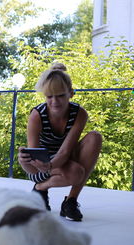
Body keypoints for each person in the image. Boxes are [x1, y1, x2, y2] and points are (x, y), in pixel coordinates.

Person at [18, 63, 102, 221]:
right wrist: (24, 161)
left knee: (95, 137)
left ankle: (70, 201)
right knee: (76, 173)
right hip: (39, 168)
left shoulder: (79, 113)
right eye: (49, 96)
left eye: (60, 95)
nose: (54, 101)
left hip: (61, 160)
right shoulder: (37, 115)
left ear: (71, 93)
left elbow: (65, 152)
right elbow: (32, 165)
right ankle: (39, 188)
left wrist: (51, 165)